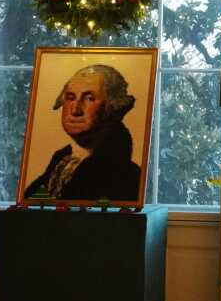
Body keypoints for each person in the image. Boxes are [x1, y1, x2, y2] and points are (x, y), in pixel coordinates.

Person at [24, 64, 142, 201]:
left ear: (114, 107)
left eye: (89, 98)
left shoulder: (127, 177)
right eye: (70, 97)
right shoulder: (61, 162)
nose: (75, 110)